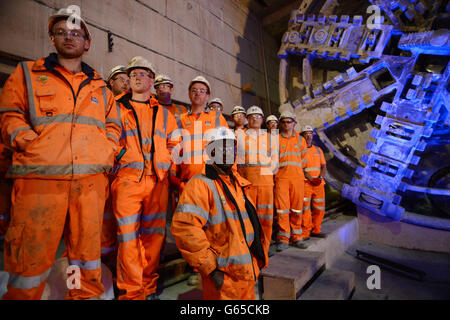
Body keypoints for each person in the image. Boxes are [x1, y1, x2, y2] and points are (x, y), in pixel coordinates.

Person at [0, 7, 121, 299]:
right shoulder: (27, 73)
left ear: (87, 43)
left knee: (84, 258)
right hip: (39, 182)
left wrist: (106, 151)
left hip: (89, 184)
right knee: (30, 261)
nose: (69, 37)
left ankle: (82, 295)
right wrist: (31, 144)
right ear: (52, 38)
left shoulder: (101, 87)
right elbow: (9, 114)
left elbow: (114, 127)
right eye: (61, 32)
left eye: (76, 33)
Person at [171, 127, 268, 299]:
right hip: (224, 278)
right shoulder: (200, 184)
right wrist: (211, 269)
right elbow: (185, 229)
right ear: (211, 152)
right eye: (221, 148)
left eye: (231, 148)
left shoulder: (239, 184)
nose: (227, 152)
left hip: (247, 275)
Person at [111, 56, 179, 300]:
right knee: (128, 239)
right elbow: (107, 137)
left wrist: (166, 161)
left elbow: (175, 143)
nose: (138, 77)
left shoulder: (164, 113)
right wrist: (122, 155)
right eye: (133, 74)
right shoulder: (116, 107)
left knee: (153, 238)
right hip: (128, 180)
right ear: (128, 80)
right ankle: (131, 292)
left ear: (152, 80)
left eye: (143, 73)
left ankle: (148, 287)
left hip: (157, 182)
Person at [237, 106, 277, 255]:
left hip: (266, 182)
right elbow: (237, 160)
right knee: (248, 218)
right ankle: (249, 250)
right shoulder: (240, 136)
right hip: (247, 183)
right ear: (247, 119)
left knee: (266, 218)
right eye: (251, 116)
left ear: (262, 119)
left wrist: (267, 174)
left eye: (258, 116)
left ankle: (264, 249)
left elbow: (274, 160)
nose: (255, 118)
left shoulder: (270, 137)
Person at [275, 111, 308, 252]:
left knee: (297, 209)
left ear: (294, 123)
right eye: (283, 122)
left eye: (289, 121)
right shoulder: (275, 139)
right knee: (282, 210)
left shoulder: (301, 140)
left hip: (297, 179)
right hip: (281, 178)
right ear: (280, 124)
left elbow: (304, 161)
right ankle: (283, 239)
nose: (286, 124)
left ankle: (297, 237)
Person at [300, 125, 327, 239]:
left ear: (313, 135)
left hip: (318, 184)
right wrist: (311, 178)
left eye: (310, 133)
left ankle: (316, 229)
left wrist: (320, 177)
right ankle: (306, 232)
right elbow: (299, 168)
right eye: (306, 133)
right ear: (302, 136)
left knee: (319, 208)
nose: (308, 135)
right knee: (305, 209)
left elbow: (323, 166)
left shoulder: (318, 150)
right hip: (306, 183)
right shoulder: (300, 151)